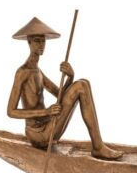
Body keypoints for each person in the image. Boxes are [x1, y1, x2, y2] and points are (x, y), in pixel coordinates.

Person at [7, 17, 123, 160]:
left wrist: (70, 77)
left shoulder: (38, 72)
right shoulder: (22, 73)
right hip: (38, 134)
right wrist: (46, 111)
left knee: (83, 83)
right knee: (81, 86)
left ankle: (98, 146)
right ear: (29, 42)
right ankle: (98, 147)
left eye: (43, 41)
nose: (41, 45)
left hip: (48, 125)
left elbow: (60, 95)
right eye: (37, 41)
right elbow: (11, 111)